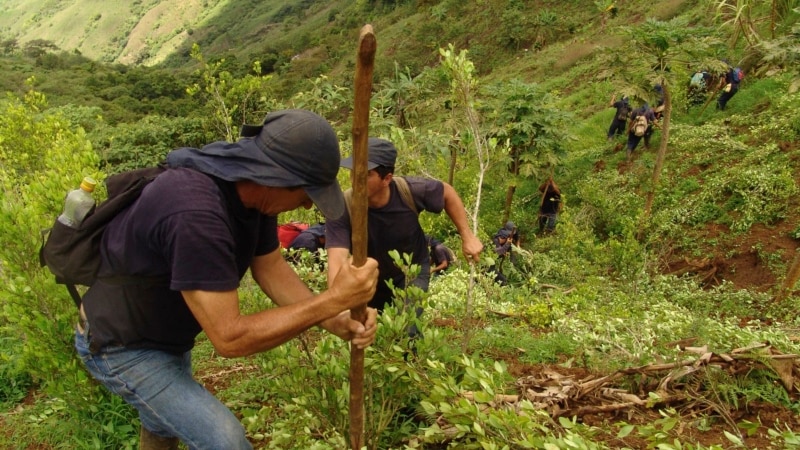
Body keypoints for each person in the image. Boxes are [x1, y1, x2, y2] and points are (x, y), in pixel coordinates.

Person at [74, 109, 380, 450]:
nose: (307, 208)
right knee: (226, 441)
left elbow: (271, 267)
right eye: (305, 195)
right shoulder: (196, 214)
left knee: (162, 422)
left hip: (164, 334)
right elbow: (230, 338)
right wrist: (334, 300)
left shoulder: (254, 195)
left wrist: (333, 318)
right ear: (276, 178)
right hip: (122, 345)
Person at [326, 138, 483, 330]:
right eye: (353, 172)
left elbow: (447, 192)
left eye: (366, 175)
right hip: (369, 276)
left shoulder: (411, 190)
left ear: (387, 179)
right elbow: (337, 260)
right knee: (368, 332)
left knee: (408, 329)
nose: (355, 180)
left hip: (411, 271)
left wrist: (467, 236)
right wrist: (337, 305)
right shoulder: (342, 207)